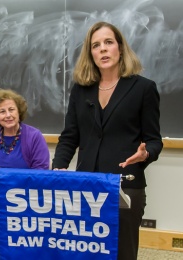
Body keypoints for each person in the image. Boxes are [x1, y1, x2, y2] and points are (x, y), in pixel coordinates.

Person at [52, 22, 163, 260]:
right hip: (86, 185)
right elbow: (70, 136)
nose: (102, 49)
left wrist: (146, 154)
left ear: (120, 48)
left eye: (108, 42)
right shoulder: (81, 90)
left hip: (125, 185)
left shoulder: (143, 88)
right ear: (90, 53)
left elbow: (154, 141)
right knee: (85, 252)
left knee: (122, 252)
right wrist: (58, 168)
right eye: (96, 45)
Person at [0, 89, 50, 176]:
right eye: (2, 111)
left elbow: (41, 173)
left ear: (19, 111)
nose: (8, 115)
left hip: (24, 188)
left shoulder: (34, 137)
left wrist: (3, 175)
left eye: (11, 110)